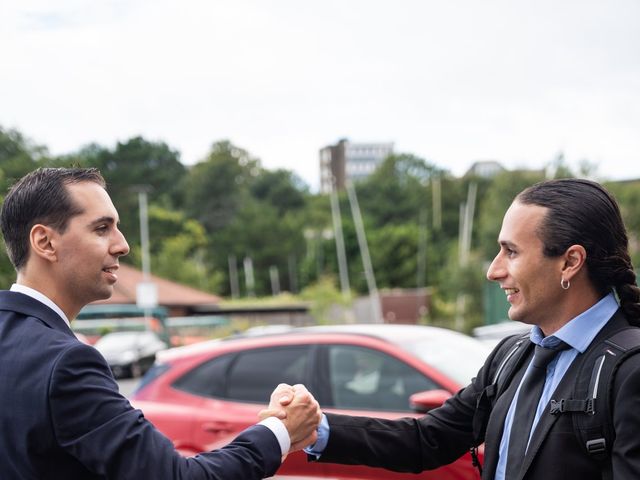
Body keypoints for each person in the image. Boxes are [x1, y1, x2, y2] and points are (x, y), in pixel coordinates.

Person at [265, 178, 640, 479]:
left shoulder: (630, 370)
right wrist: (315, 428)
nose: (493, 270)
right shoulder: (512, 357)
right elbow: (428, 439)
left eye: (511, 252)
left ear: (570, 262)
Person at [0, 167, 321, 480]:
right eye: (101, 228)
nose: (122, 245)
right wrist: (280, 431)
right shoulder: (68, 364)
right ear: (45, 242)